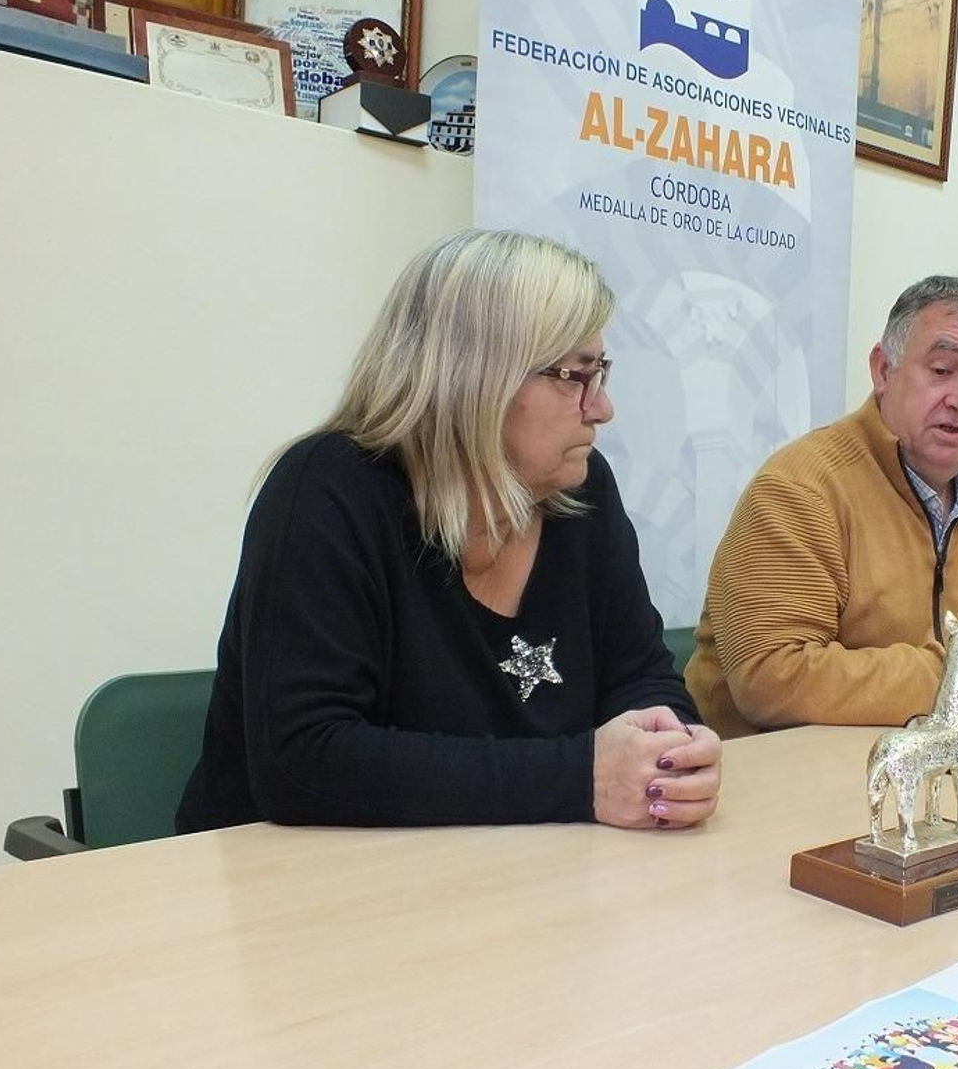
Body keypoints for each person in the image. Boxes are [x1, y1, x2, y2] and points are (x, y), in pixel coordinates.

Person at [176, 229, 720, 833]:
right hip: (299, 893)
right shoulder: (326, 491)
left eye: (601, 373)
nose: (601, 408)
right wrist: (582, 777)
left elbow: (638, 672)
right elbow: (304, 761)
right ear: (476, 377)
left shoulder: (581, 490)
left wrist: (666, 753)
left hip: (514, 876)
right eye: (575, 375)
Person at [684, 275, 958, 738]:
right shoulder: (801, 489)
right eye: (941, 370)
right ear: (883, 370)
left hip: (944, 770)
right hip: (781, 781)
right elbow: (773, 678)